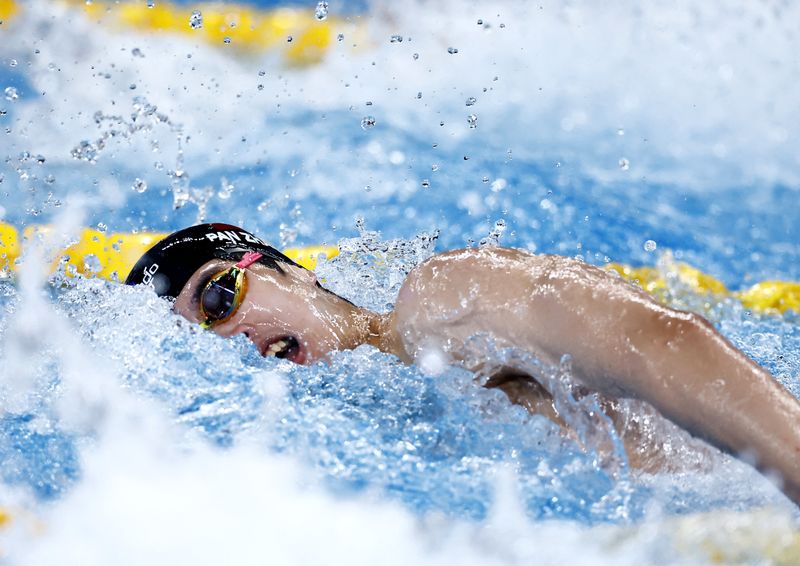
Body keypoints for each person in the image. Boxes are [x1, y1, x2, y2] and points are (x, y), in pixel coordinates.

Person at [125, 222, 800, 505]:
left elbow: (661, 341)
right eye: (201, 339)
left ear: (294, 272)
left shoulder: (441, 304)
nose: (232, 333)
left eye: (220, 295)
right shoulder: (342, 461)